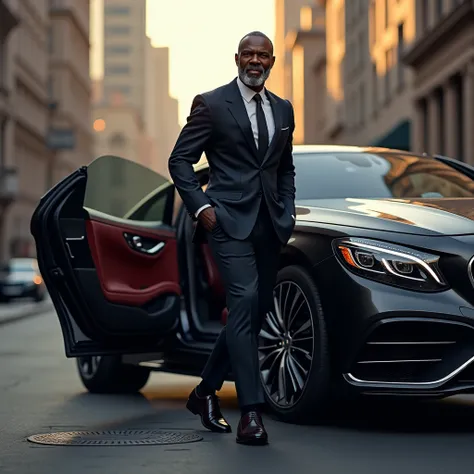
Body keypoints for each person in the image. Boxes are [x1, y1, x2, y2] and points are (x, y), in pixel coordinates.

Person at [168, 30, 296, 446]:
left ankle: (204, 392)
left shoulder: (283, 109)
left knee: (254, 316)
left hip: (270, 226)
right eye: (248, 54)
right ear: (237, 59)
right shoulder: (212, 104)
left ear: (272, 62)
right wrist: (202, 208)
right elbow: (180, 160)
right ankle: (252, 413)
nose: (255, 61)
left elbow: (285, 168)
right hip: (227, 223)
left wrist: (288, 210)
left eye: (263, 55)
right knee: (241, 303)